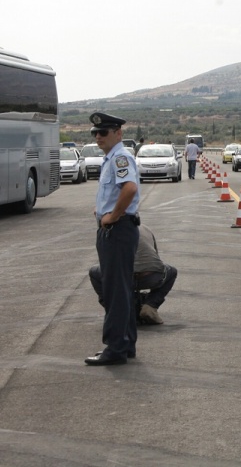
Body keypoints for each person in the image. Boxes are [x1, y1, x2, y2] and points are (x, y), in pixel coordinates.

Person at [86, 112, 141, 366]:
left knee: (115, 291)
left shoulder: (120, 157)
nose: (98, 137)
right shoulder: (112, 158)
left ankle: (115, 349)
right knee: (123, 290)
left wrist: (112, 216)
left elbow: (129, 189)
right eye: (95, 133)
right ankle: (126, 344)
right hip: (118, 230)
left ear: (118, 133)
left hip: (117, 231)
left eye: (103, 132)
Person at [89, 224, 178, 325]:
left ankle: (116, 309)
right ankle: (150, 306)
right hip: (150, 276)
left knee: (94, 273)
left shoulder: (106, 231)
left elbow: (105, 262)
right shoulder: (145, 228)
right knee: (172, 272)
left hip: (121, 277)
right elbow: (155, 260)